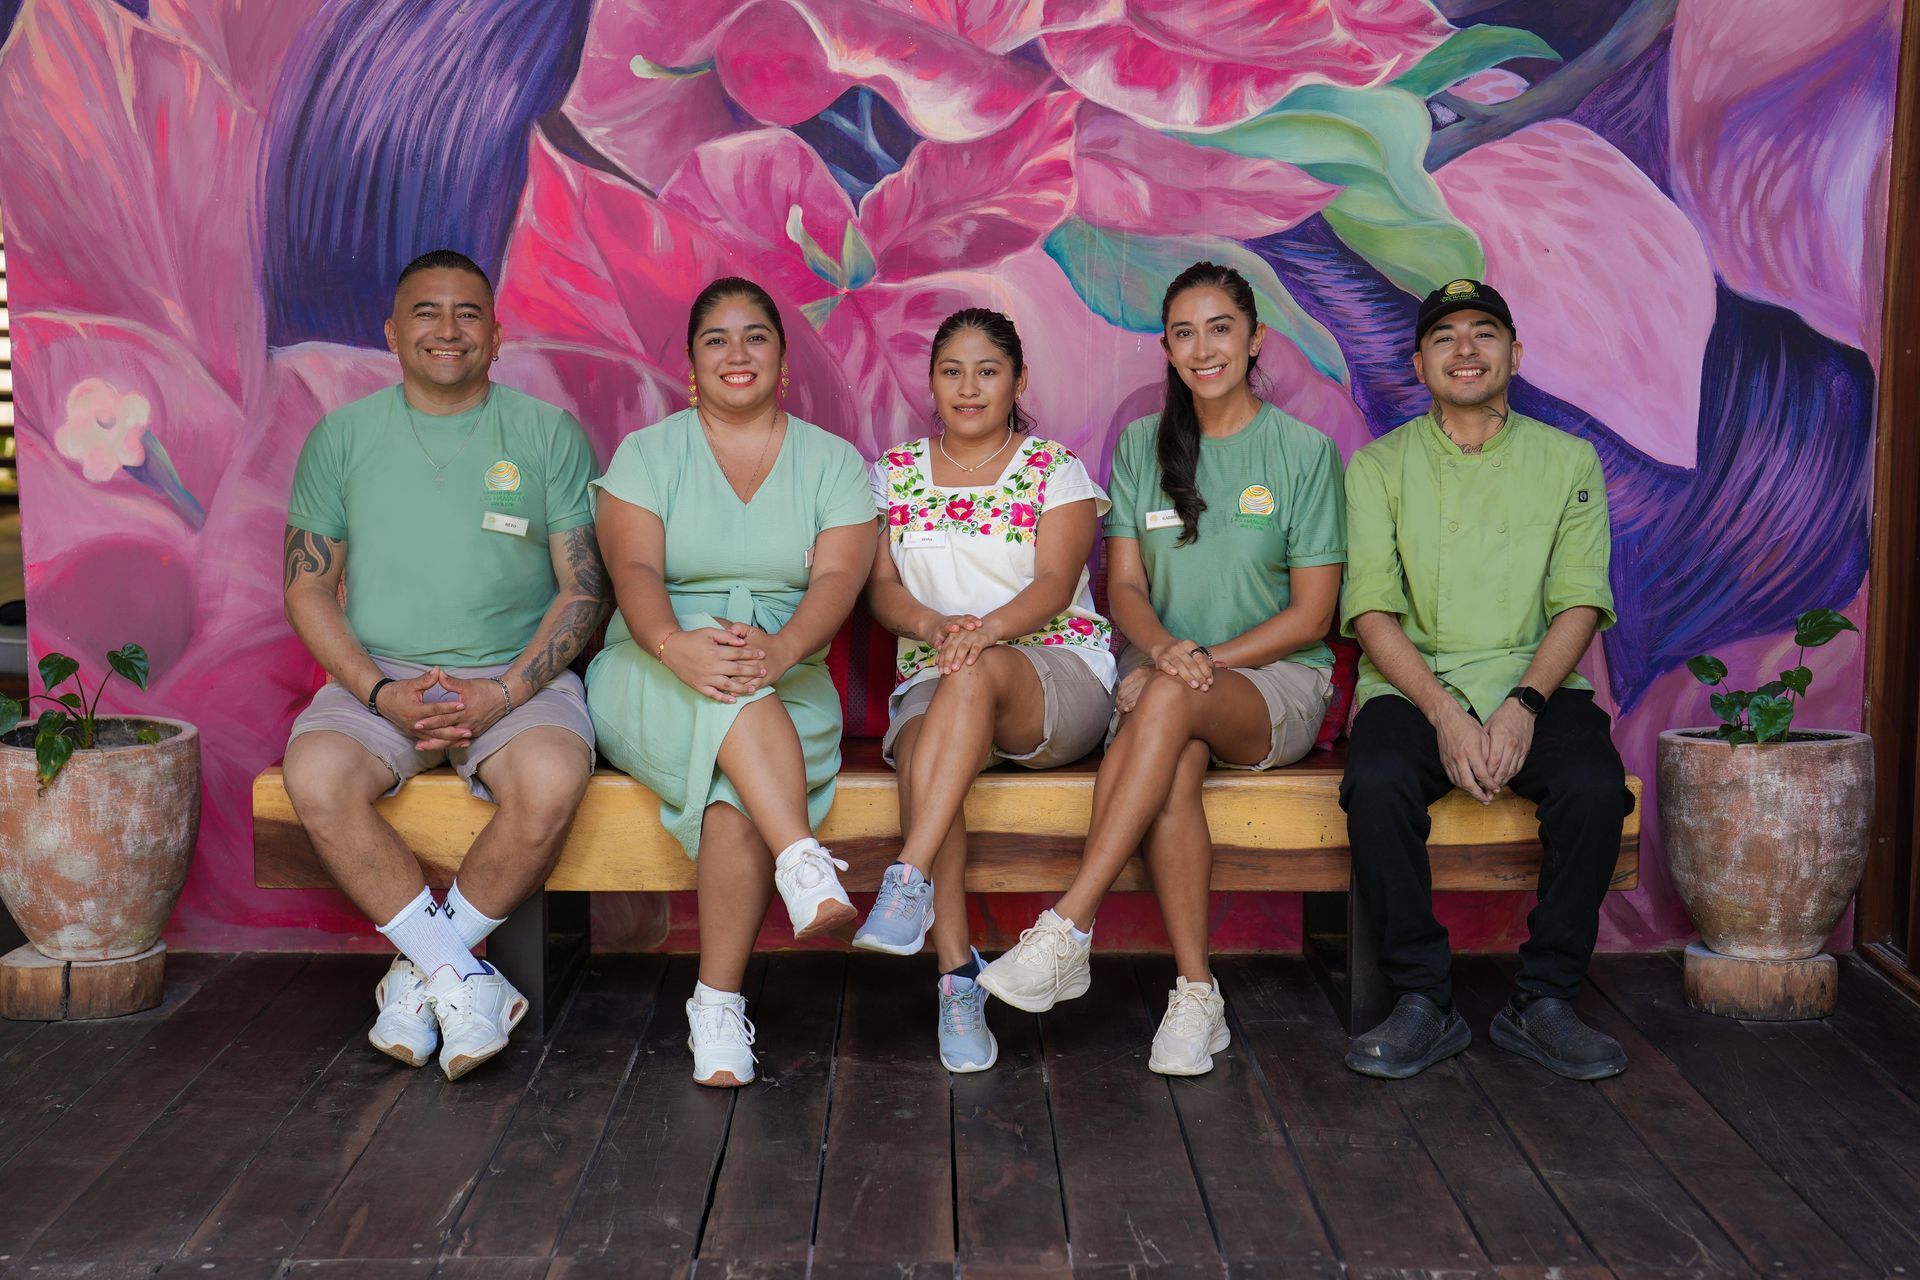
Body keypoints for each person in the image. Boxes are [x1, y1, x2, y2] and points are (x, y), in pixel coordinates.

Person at [978, 262, 1347, 1075]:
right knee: (1173, 760)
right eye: (1184, 332)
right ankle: (1195, 996)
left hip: (1274, 681)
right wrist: (1163, 656)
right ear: (1167, 349)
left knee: (1167, 707)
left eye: (1220, 328)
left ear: (1256, 339)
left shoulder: (1304, 452)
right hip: (1164, 684)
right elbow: (1128, 591)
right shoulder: (1142, 445)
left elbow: (1311, 617)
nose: (1203, 347)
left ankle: (1069, 925)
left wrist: (1191, 662)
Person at [281, 249, 609, 1081]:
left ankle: (425, 973)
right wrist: (380, 691)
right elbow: (308, 588)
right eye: (427, 311)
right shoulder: (342, 436)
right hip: (380, 674)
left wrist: (504, 691)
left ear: (498, 335)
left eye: (469, 313)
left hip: (514, 671)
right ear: (393, 333)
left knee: (549, 782)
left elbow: (585, 588)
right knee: (316, 776)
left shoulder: (546, 432)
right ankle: (464, 977)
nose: (448, 328)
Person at [1339, 278, 1632, 1082]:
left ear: (1514, 354)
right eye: (1445, 337)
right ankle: (1423, 1002)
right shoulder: (1378, 466)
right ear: (1419, 362)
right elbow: (1369, 609)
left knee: (1594, 786)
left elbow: (1580, 598)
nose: (1465, 349)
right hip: (1414, 688)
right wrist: (1443, 714)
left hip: (1535, 687)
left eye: (1483, 333)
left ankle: (1542, 1001)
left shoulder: (1566, 460)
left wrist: (1525, 706)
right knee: (1377, 777)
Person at [587, 277, 875, 1088]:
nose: (736, 352)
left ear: (783, 364)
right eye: (716, 338)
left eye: (756, 336)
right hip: (651, 667)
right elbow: (634, 568)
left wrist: (780, 651)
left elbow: (839, 581)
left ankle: (715, 1006)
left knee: (734, 791)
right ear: (690, 367)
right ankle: (801, 863)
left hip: (792, 672)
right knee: (732, 694)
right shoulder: (647, 454)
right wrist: (676, 643)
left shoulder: (833, 462)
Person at [853, 308, 1115, 1073]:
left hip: (1052, 675)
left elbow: (1054, 586)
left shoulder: (1053, 469)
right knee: (938, 747)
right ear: (931, 382)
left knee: (970, 680)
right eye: (951, 371)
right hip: (941, 672)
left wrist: (982, 632)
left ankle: (907, 881)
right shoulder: (893, 473)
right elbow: (880, 589)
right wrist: (937, 627)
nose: (968, 387)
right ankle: (956, 978)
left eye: (988, 370)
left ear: (1018, 380)